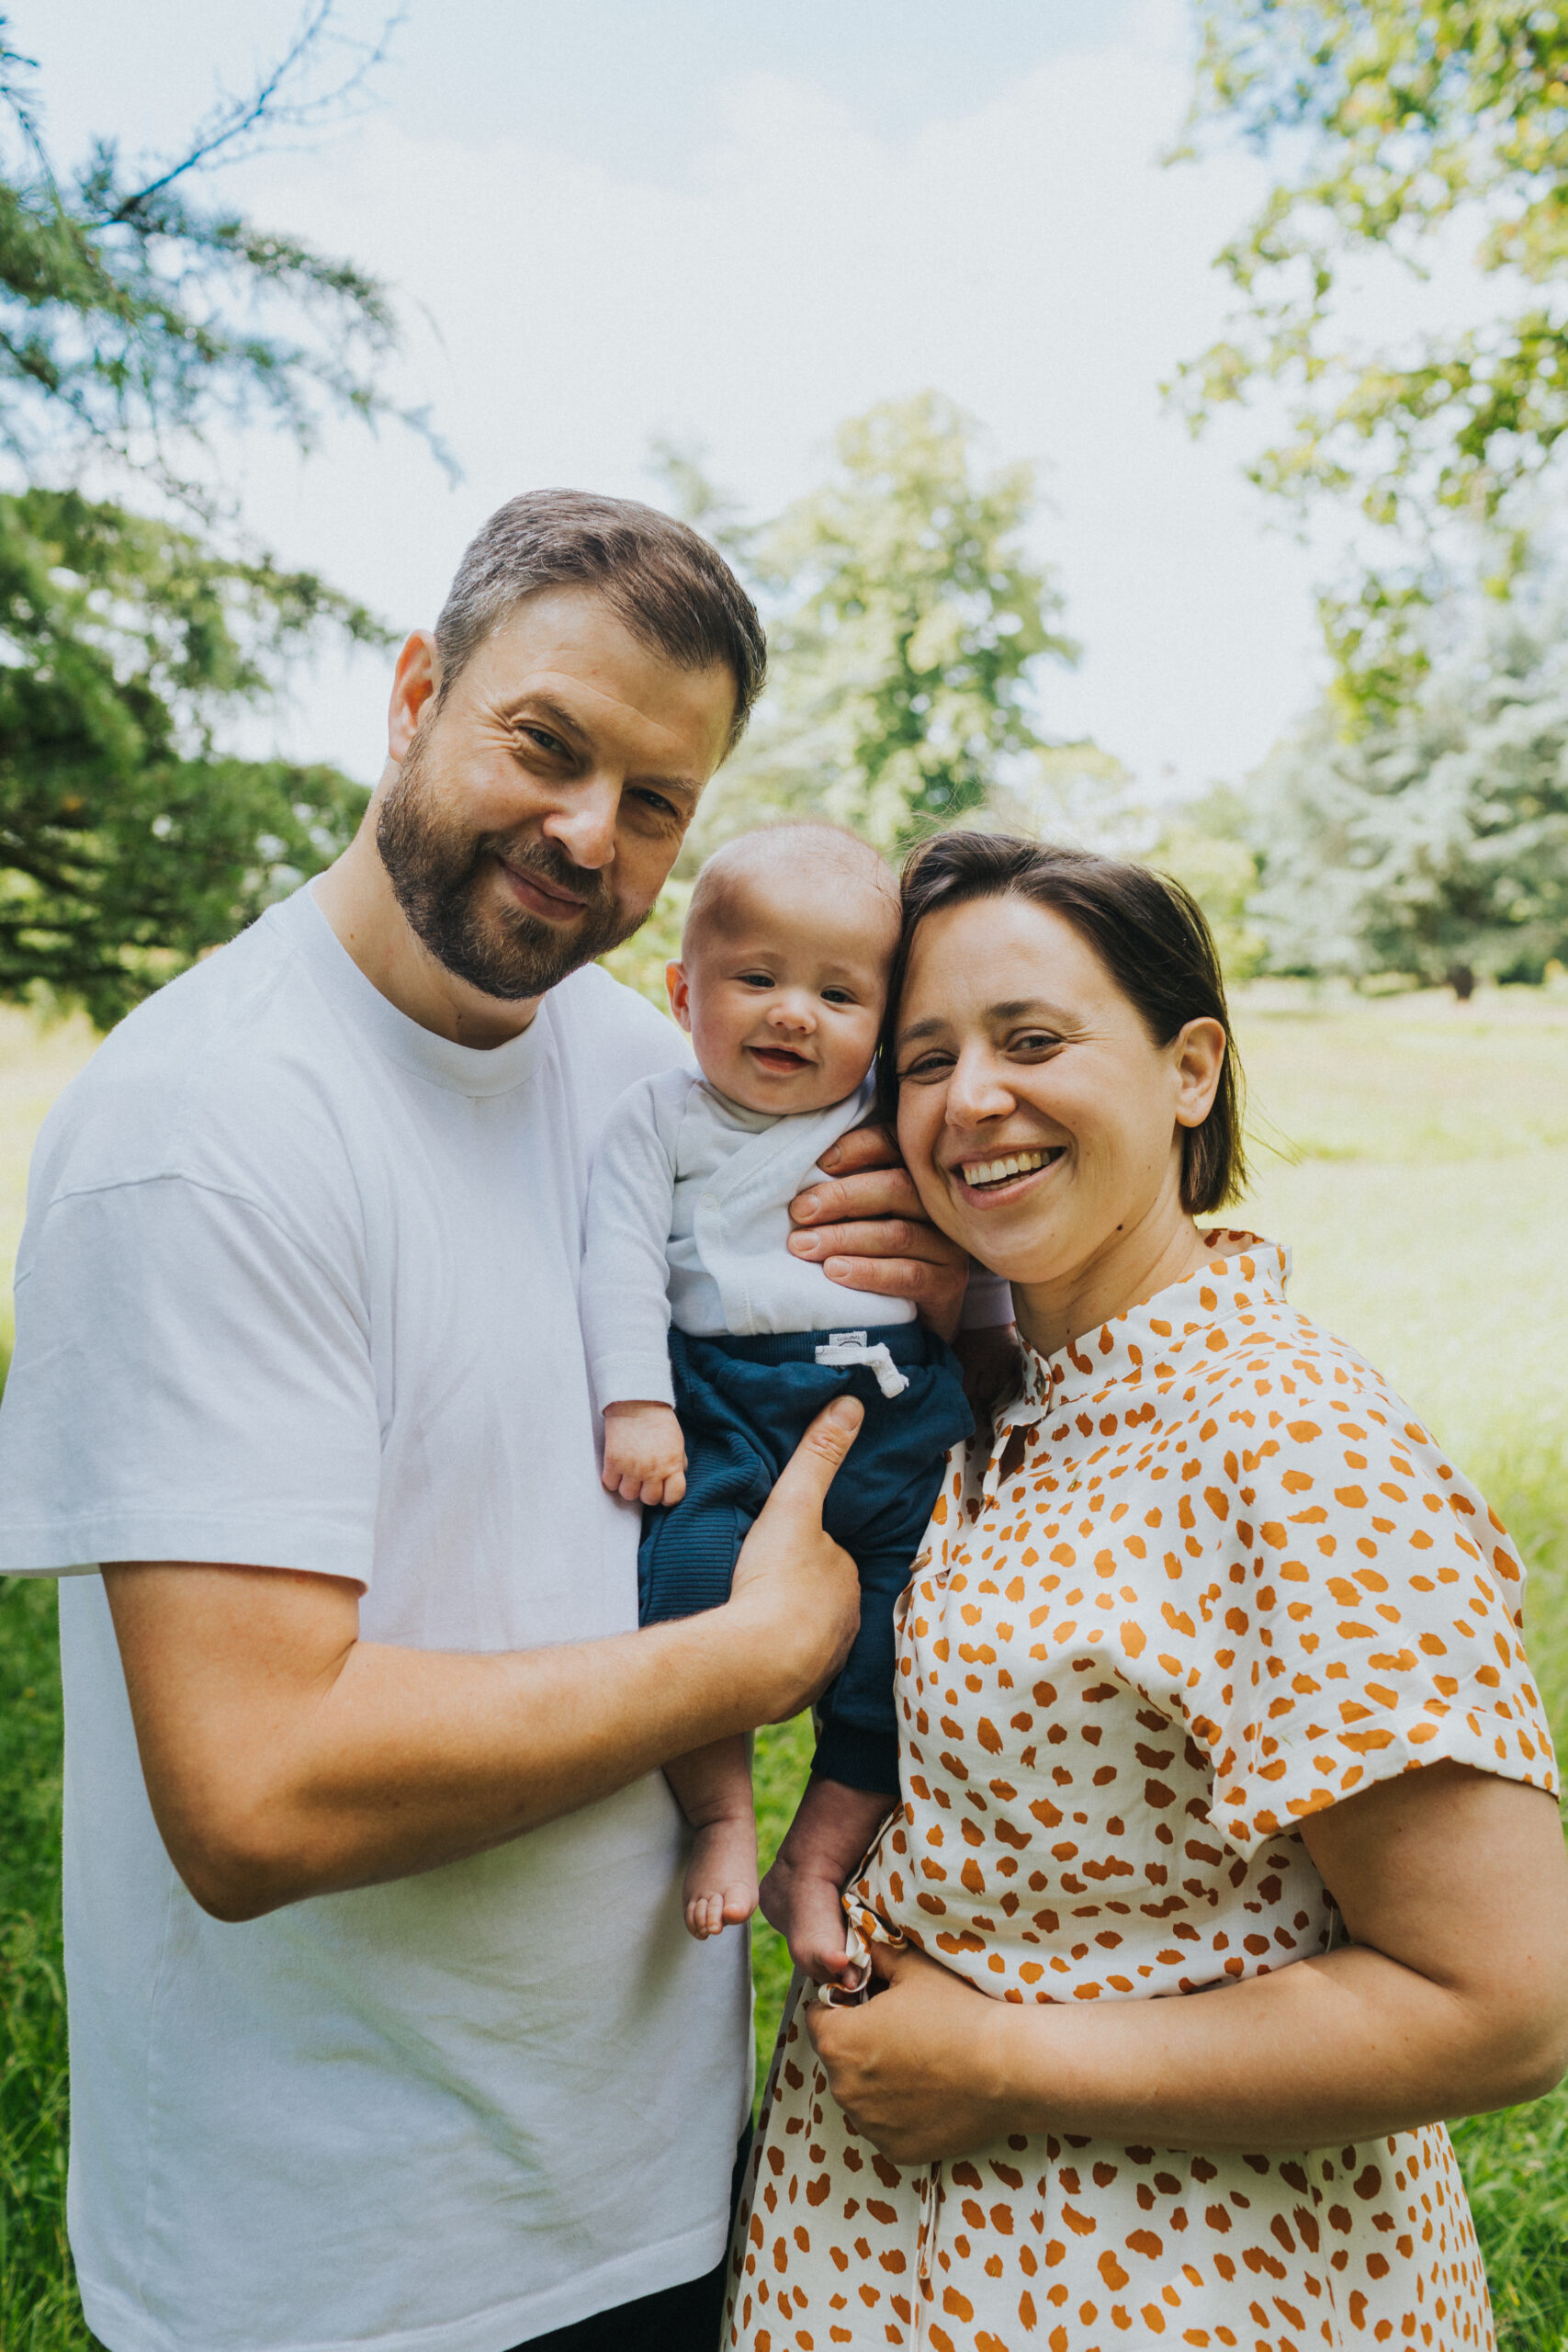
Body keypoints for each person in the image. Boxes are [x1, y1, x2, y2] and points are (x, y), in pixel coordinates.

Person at [0, 491, 975, 2352]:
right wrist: (751, 1655)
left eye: (656, 798)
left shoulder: (653, 1074)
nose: (587, 830)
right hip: (346, 2262)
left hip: (667, 2170)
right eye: (545, 741)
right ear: (415, 689)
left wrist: (924, 1285)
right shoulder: (202, 1138)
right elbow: (254, 1787)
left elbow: (925, 1311)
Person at [726, 830, 1568, 2352]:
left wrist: (997, 2060)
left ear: (1189, 1070)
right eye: (923, 1059)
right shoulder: (1020, 1398)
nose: (971, 1097)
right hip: (914, 2260)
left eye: (1032, 1039)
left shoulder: (1292, 1439)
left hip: (1180, 2281)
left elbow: (1502, 2001)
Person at [581, 822, 996, 1981]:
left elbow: (972, 1227)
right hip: (720, 1399)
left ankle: (815, 1858)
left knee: (904, 1639)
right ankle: (719, 1808)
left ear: (882, 1017)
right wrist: (636, 1404)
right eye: (756, 979)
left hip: (892, 1396)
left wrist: (992, 1332)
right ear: (682, 991)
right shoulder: (658, 1120)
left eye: (836, 992)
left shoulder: (883, 1107)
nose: (792, 1014)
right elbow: (616, 1261)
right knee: (685, 1585)